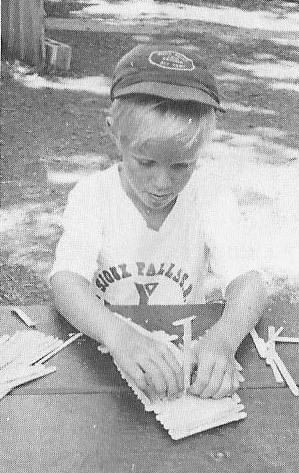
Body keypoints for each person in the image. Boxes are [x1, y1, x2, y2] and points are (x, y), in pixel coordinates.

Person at [50, 45, 268, 402]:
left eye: (181, 165)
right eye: (146, 162)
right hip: (104, 350)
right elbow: (66, 282)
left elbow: (250, 284)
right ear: (114, 133)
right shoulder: (92, 195)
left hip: (182, 353)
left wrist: (223, 338)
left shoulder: (210, 195)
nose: (162, 183)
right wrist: (119, 336)